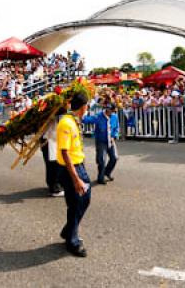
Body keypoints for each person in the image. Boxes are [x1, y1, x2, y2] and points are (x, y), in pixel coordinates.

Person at [56, 93, 92, 257]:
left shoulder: (73, 121)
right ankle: (72, 241)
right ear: (83, 106)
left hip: (78, 166)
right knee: (77, 203)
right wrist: (76, 178)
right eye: (87, 105)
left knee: (84, 199)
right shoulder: (65, 123)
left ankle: (68, 230)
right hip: (70, 169)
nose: (88, 108)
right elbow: (65, 153)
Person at [82, 102, 120, 184]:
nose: (108, 111)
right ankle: (100, 177)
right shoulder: (99, 116)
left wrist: (115, 135)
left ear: (113, 111)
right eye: (107, 109)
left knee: (114, 158)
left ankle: (107, 172)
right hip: (101, 141)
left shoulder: (115, 117)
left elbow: (117, 127)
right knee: (101, 160)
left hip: (111, 140)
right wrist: (83, 114)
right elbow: (86, 120)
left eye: (110, 110)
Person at [40, 107, 67, 197]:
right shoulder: (53, 117)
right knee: (53, 165)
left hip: (49, 142)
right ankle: (54, 188)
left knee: (53, 165)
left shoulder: (53, 116)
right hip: (49, 142)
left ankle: (52, 184)